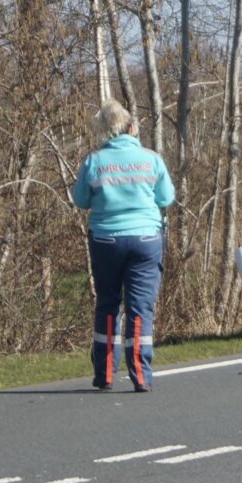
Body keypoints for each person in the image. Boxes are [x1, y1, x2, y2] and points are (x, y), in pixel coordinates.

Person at [72, 99, 174, 392]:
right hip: (145, 239)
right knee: (140, 307)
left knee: (107, 303)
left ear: (104, 132)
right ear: (131, 127)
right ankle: (141, 375)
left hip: (105, 239)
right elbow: (166, 198)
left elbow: (80, 200)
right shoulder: (151, 159)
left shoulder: (94, 161)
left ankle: (104, 374)